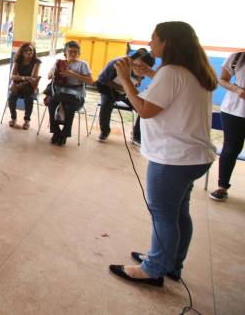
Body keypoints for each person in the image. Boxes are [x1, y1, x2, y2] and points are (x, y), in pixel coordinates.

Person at [109, 21, 217, 287]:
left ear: (167, 42)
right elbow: (174, 89)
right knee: (178, 211)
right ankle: (171, 263)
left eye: (154, 38)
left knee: (163, 213)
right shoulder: (194, 71)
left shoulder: (171, 72)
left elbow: (145, 109)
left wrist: (125, 80)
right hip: (194, 157)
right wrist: (149, 73)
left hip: (173, 158)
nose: (150, 42)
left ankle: (153, 269)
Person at [94, 48, 156, 143]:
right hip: (109, 90)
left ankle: (136, 135)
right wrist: (124, 86)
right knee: (106, 105)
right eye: (140, 66)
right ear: (135, 60)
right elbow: (101, 80)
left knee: (142, 106)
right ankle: (104, 132)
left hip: (126, 92)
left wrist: (136, 82)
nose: (141, 69)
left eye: (145, 68)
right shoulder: (117, 63)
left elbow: (135, 82)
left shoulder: (142, 70)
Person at [209, 50, 245, 201]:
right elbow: (222, 80)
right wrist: (237, 89)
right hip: (234, 111)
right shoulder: (237, 57)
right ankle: (222, 187)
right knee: (231, 149)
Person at [46, 41, 94, 146]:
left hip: (76, 96)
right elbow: (49, 76)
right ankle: (56, 132)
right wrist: (56, 70)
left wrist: (73, 74)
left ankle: (64, 135)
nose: (72, 54)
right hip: (60, 94)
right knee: (51, 104)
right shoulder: (60, 62)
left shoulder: (82, 64)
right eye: (70, 52)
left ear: (79, 54)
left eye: (75, 52)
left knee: (69, 108)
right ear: (65, 53)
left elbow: (91, 81)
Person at [7, 43, 41, 130]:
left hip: (29, 86)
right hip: (18, 85)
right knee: (11, 97)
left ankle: (27, 120)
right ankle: (13, 118)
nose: (29, 52)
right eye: (26, 50)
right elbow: (12, 76)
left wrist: (21, 82)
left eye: (31, 50)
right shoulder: (18, 60)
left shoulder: (36, 62)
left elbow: (33, 79)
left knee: (29, 97)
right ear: (22, 52)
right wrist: (25, 77)